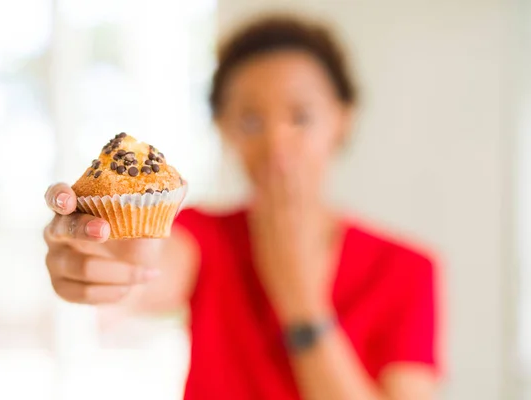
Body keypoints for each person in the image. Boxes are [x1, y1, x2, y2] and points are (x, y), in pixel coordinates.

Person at [43, 16, 440, 400]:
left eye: (300, 117)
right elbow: (144, 271)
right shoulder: (202, 236)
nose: (276, 145)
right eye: (251, 121)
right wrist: (109, 256)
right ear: (224, 129)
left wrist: (301, 302)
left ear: (343, 120)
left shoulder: (407, 270)